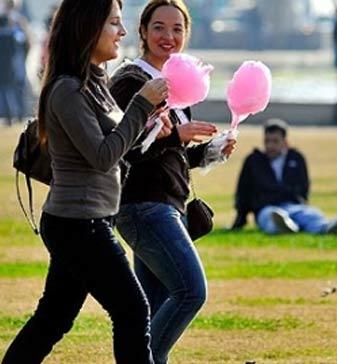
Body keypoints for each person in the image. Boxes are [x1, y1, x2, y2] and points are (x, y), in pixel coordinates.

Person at [2, 0, 169, 362]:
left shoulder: (96, 83)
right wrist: (140, 106)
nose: (122, 32)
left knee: (53, 318)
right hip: (78, 224)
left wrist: (150, 126)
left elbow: (119, 150)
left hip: (91, 219)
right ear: (87, 28)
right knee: (133, 310)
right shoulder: (67, 89)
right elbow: (102, 155)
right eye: (114, 23)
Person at [109, 1, 235, 363]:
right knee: (191, 291)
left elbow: (170, 157)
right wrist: (176, 136)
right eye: (160, 27)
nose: (169, 36)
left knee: (153, 311)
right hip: (143, 207)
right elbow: (124, 151)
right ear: (143, 32)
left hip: (167, 205)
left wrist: (211, 151)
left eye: (177, 29)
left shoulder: (179, 85)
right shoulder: (131, 81)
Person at [231, 119, 337, 235]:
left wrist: (300, 200)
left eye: (275, 141)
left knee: (309, 215)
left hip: (293, 204)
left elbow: (304, 186)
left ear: (285, 142)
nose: (270, 146)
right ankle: (285, 227)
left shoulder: (296, 158)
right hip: (266, 207)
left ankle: (328, 227)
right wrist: (240, 219)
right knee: (272, 218)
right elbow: (243, 191)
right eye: (267, 141)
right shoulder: (253, 161)